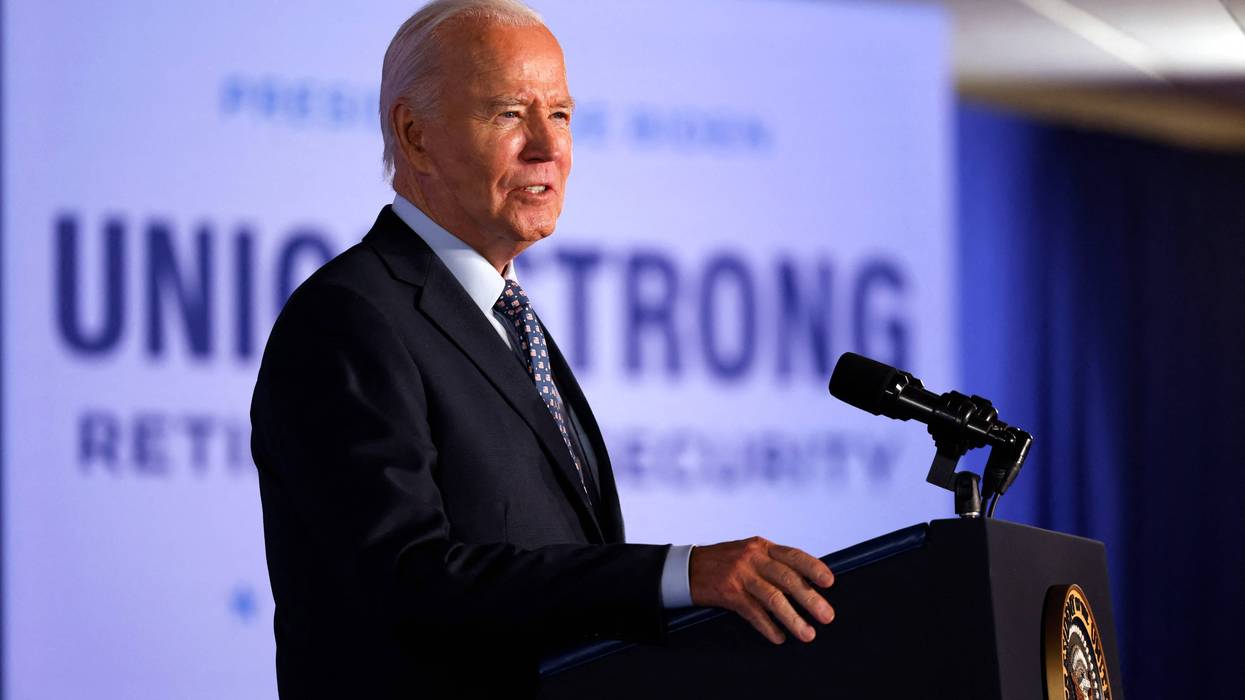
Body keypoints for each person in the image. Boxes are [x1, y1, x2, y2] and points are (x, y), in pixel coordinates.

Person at [250, 0, 835, 695]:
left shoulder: (504, 316)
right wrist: (676, 575)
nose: (547, 147)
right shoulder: (349, 317)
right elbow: (405, 578)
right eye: (507, 113)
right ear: (414, 136)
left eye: (559, 114)